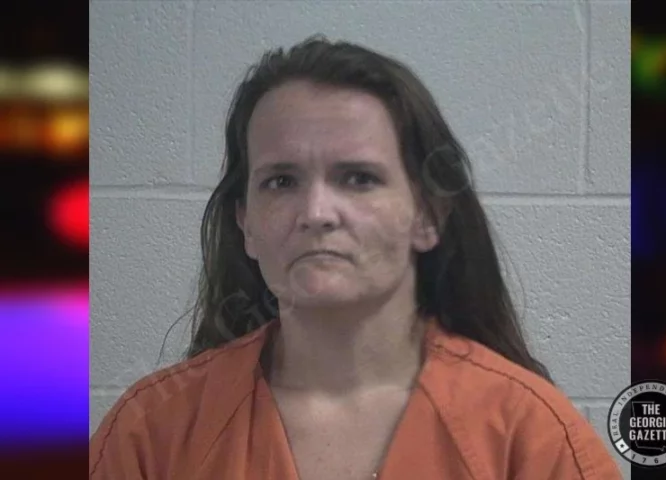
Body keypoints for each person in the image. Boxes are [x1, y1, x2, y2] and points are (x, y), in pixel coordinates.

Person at [90, 35, 623, 479]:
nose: (316, 212)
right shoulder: (150, 431)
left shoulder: (529, 434)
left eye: (359, 178)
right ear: (246, 224)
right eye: (281, 181)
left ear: (427, 216)